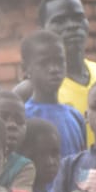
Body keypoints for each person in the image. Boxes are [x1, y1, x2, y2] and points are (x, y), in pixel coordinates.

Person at [37, 0, 96, 114]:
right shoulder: (39, 88)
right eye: (60, 21)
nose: (72, 25)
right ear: (43, 31)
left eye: (78, 18)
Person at [19, 29, 88, 159]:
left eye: (60, 61)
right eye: (44, 63)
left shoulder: (76, 116)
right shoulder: (23, 117)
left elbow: (82, 162)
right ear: (25, 69)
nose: (54, 69)